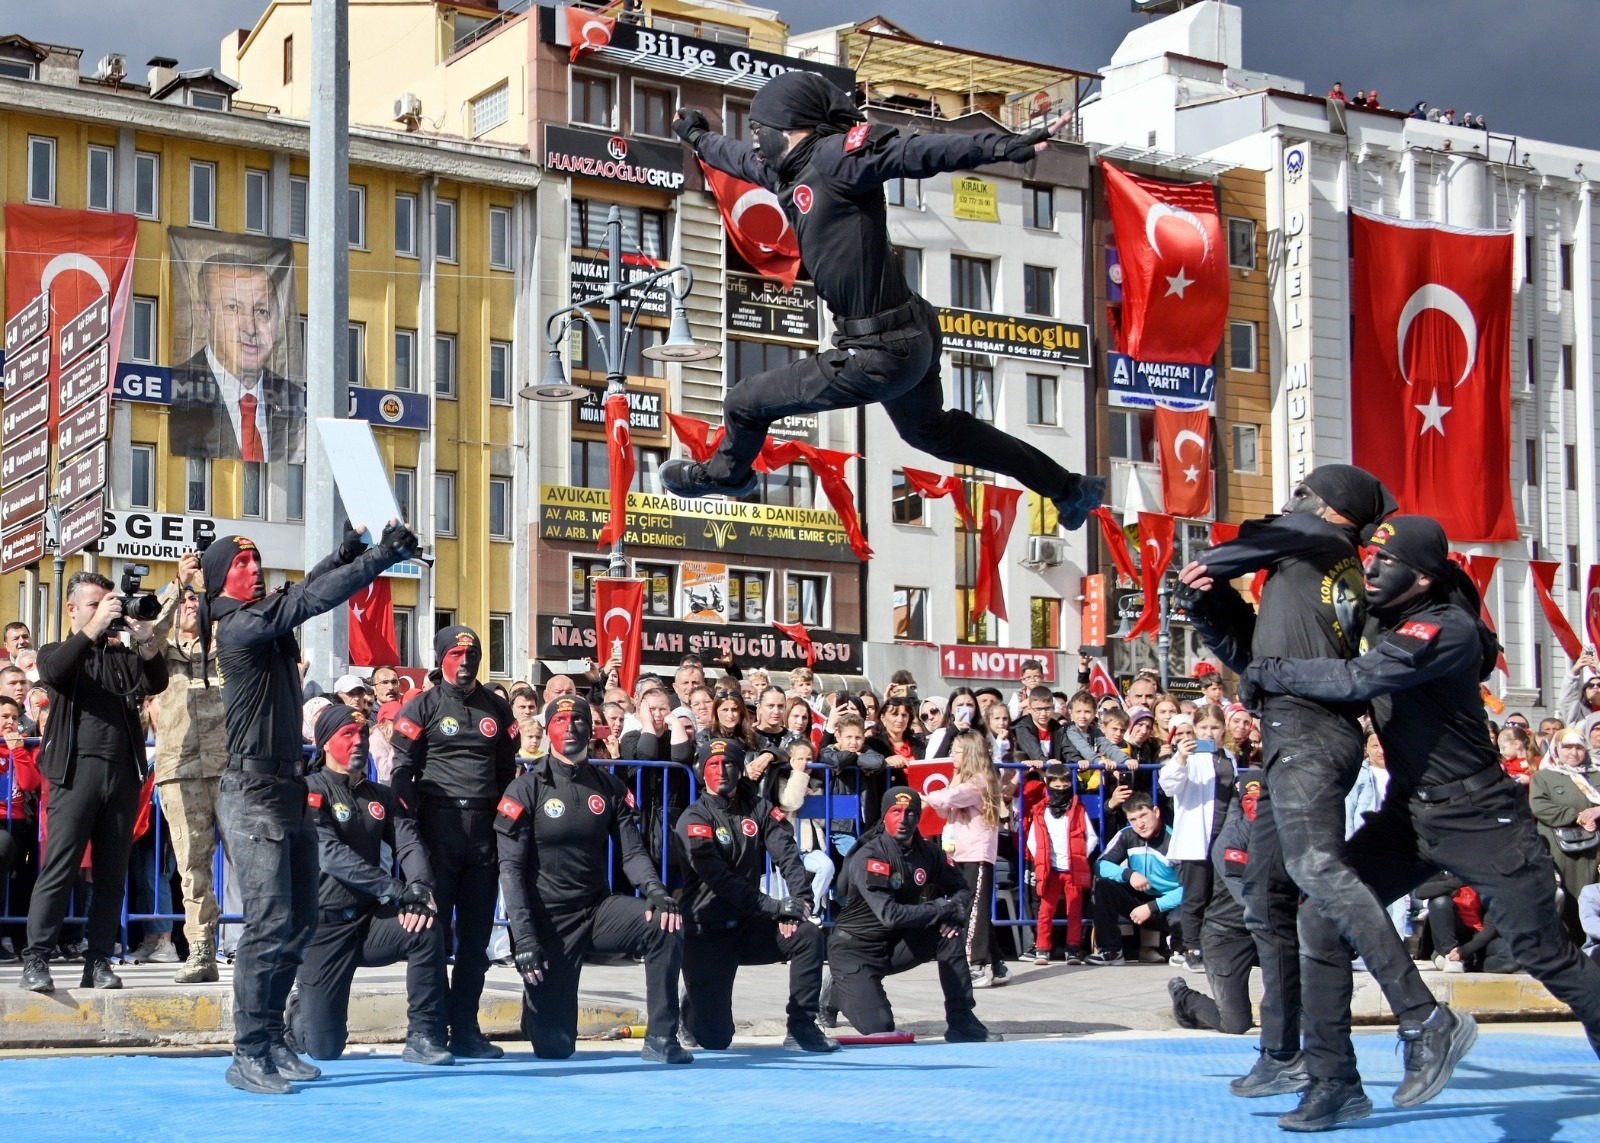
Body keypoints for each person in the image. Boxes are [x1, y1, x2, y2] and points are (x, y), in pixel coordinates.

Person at [1241, 515, 1600, 1129]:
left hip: (1483, 815)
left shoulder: (1448, 627)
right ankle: (1334, 1082)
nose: (1371, 570)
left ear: (1423, 577)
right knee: (1321, 916)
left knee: (1545, 953)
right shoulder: (1385, 616)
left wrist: (1270, 673)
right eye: (1369, 558)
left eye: (1386, 563)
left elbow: (1362, 678)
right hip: (1411, 812)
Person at [665, 72, 1103, 529]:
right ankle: (1069, 488)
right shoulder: (785, 169)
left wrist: (1001, 147)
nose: (754, 142)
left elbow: (913, 152)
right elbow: (733, 158)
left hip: (880, 351)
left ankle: (727, 475)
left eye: (759, 131)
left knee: (744, 401)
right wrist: (697, 135)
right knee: (930, 432)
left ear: (790, 127)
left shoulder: (836, 157)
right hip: (910, 332)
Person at [1177, 464, 1397, 1103]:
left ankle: (1393, 1029)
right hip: (1290, 737)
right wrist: (1211, 604)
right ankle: (1283, 1051)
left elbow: (1245, 542)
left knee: (1312, 893)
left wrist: (1213, 563)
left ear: (1331, 510)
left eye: (1305, 493)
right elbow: (1256, 657)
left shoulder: (1324, 545)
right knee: (1267, 898)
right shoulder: (1307, 570)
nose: (1290, 501)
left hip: (1311, 738)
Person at [203, 521, 418, 1095]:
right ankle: (247, 1051)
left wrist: (340, 553)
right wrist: (375, 559)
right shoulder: (238, 625)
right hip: (250, 795)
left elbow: (303, 590)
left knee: (298, 921)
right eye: (242, 565)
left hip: (286, 788)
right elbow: (307, 599)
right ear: (222, 577)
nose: (254, 571)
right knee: (270, 922)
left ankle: (272, 1039)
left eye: (255, 563)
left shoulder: (257, 616)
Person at [496, 696, 690, 1063]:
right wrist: (523, 937)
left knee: (665, 923)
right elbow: (510, 871)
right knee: (555, 1049)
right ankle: (537, 1009)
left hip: (598, 910)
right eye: (560, 720)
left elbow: (632, 853)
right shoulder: (525, 788)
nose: (570, 728)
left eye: (579, 721)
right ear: (548, 728)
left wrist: (656, 892)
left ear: (591, 728)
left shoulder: (609, 787)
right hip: (549, 922)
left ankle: (663, 1038)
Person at [18, 572, 169, 995]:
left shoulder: (121, 654)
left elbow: (156, 680)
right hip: (74, 771)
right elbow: (55, 670)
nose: (106, 612)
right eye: (94, 605)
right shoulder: (57, 650)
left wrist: (145, 638)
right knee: (60, 868)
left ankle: (99, 960)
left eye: (109, 605)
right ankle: (37, 959)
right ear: (72, 609)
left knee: (111, 873)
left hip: (122, 772)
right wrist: (94, 626)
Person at [287, 705, 452, 1065]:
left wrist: (420, 888)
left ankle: (425, 1035)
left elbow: (408, 843)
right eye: (348, 734)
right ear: (324, 743)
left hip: (368, 921)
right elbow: (329, 854)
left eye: (362, 734)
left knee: (425, 928)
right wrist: (396, 890)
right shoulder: (310, 791)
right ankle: (298, 1011)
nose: (358, 741)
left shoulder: (381, 796)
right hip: (324, 928)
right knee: (324, 1049)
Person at [389, 625, 518, 1061]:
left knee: (477, 937)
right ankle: (423, 1031)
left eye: (473, 655)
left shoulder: (497, 709)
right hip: (436, 824)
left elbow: (506, 772)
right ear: (440, 658)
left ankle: (464, 1027)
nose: (464, 663)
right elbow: (402, 767)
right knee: (430, 933)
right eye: (456, 655)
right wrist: (409, 821)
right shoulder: (420, 705)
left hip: (483, 830)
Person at [675, 737, 835, 1053]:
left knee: (806, 935)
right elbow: (720, 880)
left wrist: (799, 903)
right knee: (716, 1039)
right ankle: (691, 1006)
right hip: (707, 932)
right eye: (713, 765)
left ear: (740, 770)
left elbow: (787, 853)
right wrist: (775, 905)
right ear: (701, 772)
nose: (721, 771)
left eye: (729, 764)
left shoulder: (758, 809)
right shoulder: (693, 819)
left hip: (747, 925)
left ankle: (802, 1026)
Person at [825, 787, 998, 1041]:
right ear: (884, 816)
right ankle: (835, 993)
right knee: (882, 1029)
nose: (903, 819)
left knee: (948, 933)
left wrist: (954, 912)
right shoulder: (871, 856)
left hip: (895, 944)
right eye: (896, 812)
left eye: (910, 813)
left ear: (918, 817)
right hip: (854, 949)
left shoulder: (928, 853)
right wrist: (941, 908)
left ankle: (962, 1020)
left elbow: (962, 889)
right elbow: (890, 915)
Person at [148, 553, 229, 984]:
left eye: (198, 601)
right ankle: (201, 951)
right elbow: (147, 636)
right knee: (191, 865)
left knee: (251, 860)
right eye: (186, 603)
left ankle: (269, 947)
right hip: (179, 768)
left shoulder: (228, 646)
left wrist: (209, 589)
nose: (191, 606)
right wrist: (177, 584)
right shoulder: (162, 653)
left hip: (229, 767)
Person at [169, 252, 306, 463]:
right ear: (205, 314)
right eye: (233, 308)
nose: (251, 328)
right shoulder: (174, 396)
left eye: (262, 311)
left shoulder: (298, 404)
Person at [1170, 767, 1263, 1037]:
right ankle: (1184, 997)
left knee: (1296, 1011)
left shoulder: (1283, 833)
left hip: (1265, 930)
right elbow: (1244, 893)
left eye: (1262, 801)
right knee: (1234, 1023)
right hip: (1226, 934)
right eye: (1249, 800)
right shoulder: (1231, 839)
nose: (1255, 807)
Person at [922, 730, 1010, 988]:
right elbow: (944, 808)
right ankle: (997, 963)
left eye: (957, 750)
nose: (952, 755)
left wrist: (925, 797)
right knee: (971, 908)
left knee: (973, 909)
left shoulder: (982, 780)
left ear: (969, 753)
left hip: (977, 852)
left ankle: (976, 964)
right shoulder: (960, 779)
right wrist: (936, 799)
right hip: (958, 850)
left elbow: (950, 798)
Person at [1160, 707, 1236, 973]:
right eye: (1203, 728)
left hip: (1222, 835)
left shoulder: (1227, 756)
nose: (1208, 733)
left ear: (1223, 729)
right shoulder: (1188, 756)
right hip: (1196, 837)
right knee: (1195, 896)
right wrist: (1181, 756)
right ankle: (1191, 948)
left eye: (1214, 728)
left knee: (1218, 896)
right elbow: (1168, 784)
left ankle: (1212, 945)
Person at [1088, 793, 1181, 965]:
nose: (1140, 824)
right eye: (1133, 819)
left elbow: (1190, 888)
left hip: (1169, 905)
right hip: (1140, 898)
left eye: (1143, 815)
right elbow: (1100, 866)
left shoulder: (1176, 840)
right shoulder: (1126, 835)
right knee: (1104, 886)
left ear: (1156, 812)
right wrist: (1129, 874)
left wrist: (1152, 907)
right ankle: (1111, 950)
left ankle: (1181, 950)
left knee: (1187, 911)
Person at [1531, 724, 1600, 944]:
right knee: (1567, 898)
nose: (1573, 753)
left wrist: (1596, 811)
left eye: (1578, 747)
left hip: (1595, 848)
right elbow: (1540, 806)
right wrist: (1577, 816)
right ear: (1557, 749)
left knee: (1592, 897)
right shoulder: (1545, 776)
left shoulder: (1596, 774)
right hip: (1561, 848)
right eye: (1567, 747)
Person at [1025, 761, 1097, 965]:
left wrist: (1080, 855)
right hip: (1050, 869)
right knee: (1046, 910)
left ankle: (1073, 949)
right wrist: (1042, 858)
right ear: (1048, 787)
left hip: (1073, 868)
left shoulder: (1078, 809)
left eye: (1064, 787)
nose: (1060, 791)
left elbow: (1091, 837)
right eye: (1055, 788)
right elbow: (1032, 840)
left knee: (1074, 910)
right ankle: (1042, 948)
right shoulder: (1041, 811)